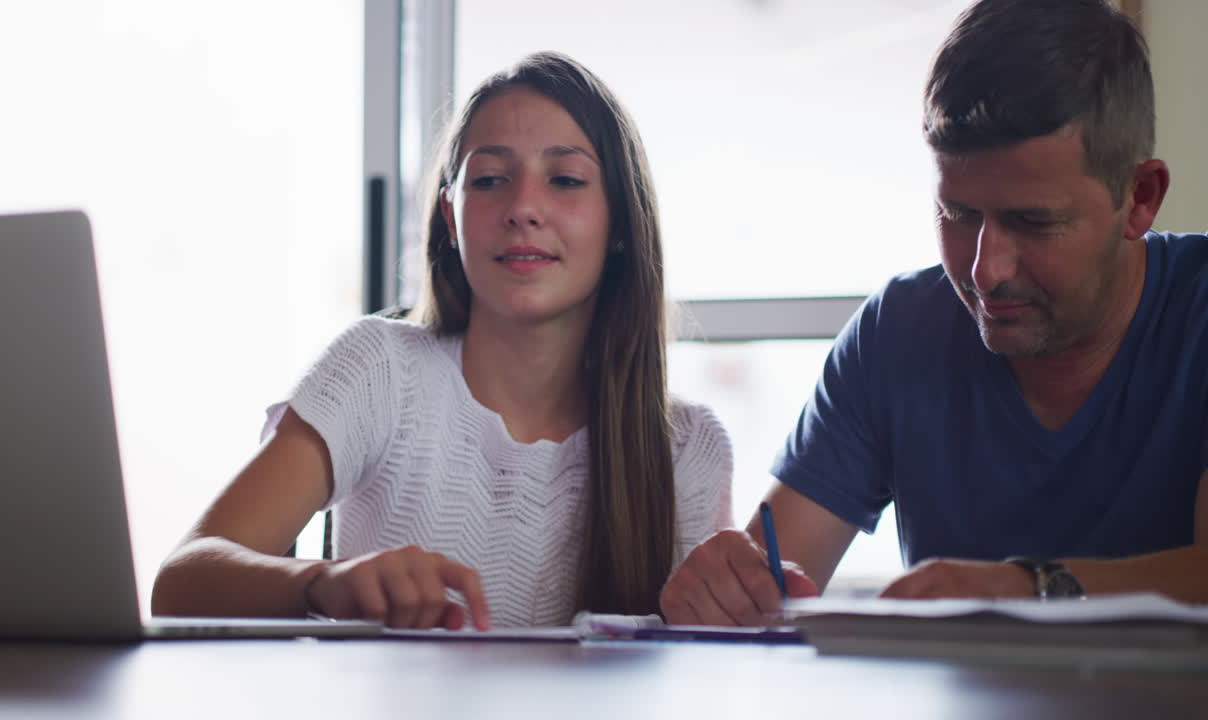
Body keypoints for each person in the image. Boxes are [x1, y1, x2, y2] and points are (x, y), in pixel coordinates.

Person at [661, 0, 1208, 626]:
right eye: (958, 214)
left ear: (1140, 198)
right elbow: (767, 586)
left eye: (1033, 222)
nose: (985, 270)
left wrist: (1023, 591)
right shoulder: (896, 333)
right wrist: (723, 590)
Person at [152, 52, 732, 629]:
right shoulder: (379, 370)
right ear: (451, 219)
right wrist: (323, 584)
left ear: (621, 223)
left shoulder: (689, 448)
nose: (523, 209)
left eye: (565, 180)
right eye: (490, 180)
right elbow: (181, 581)